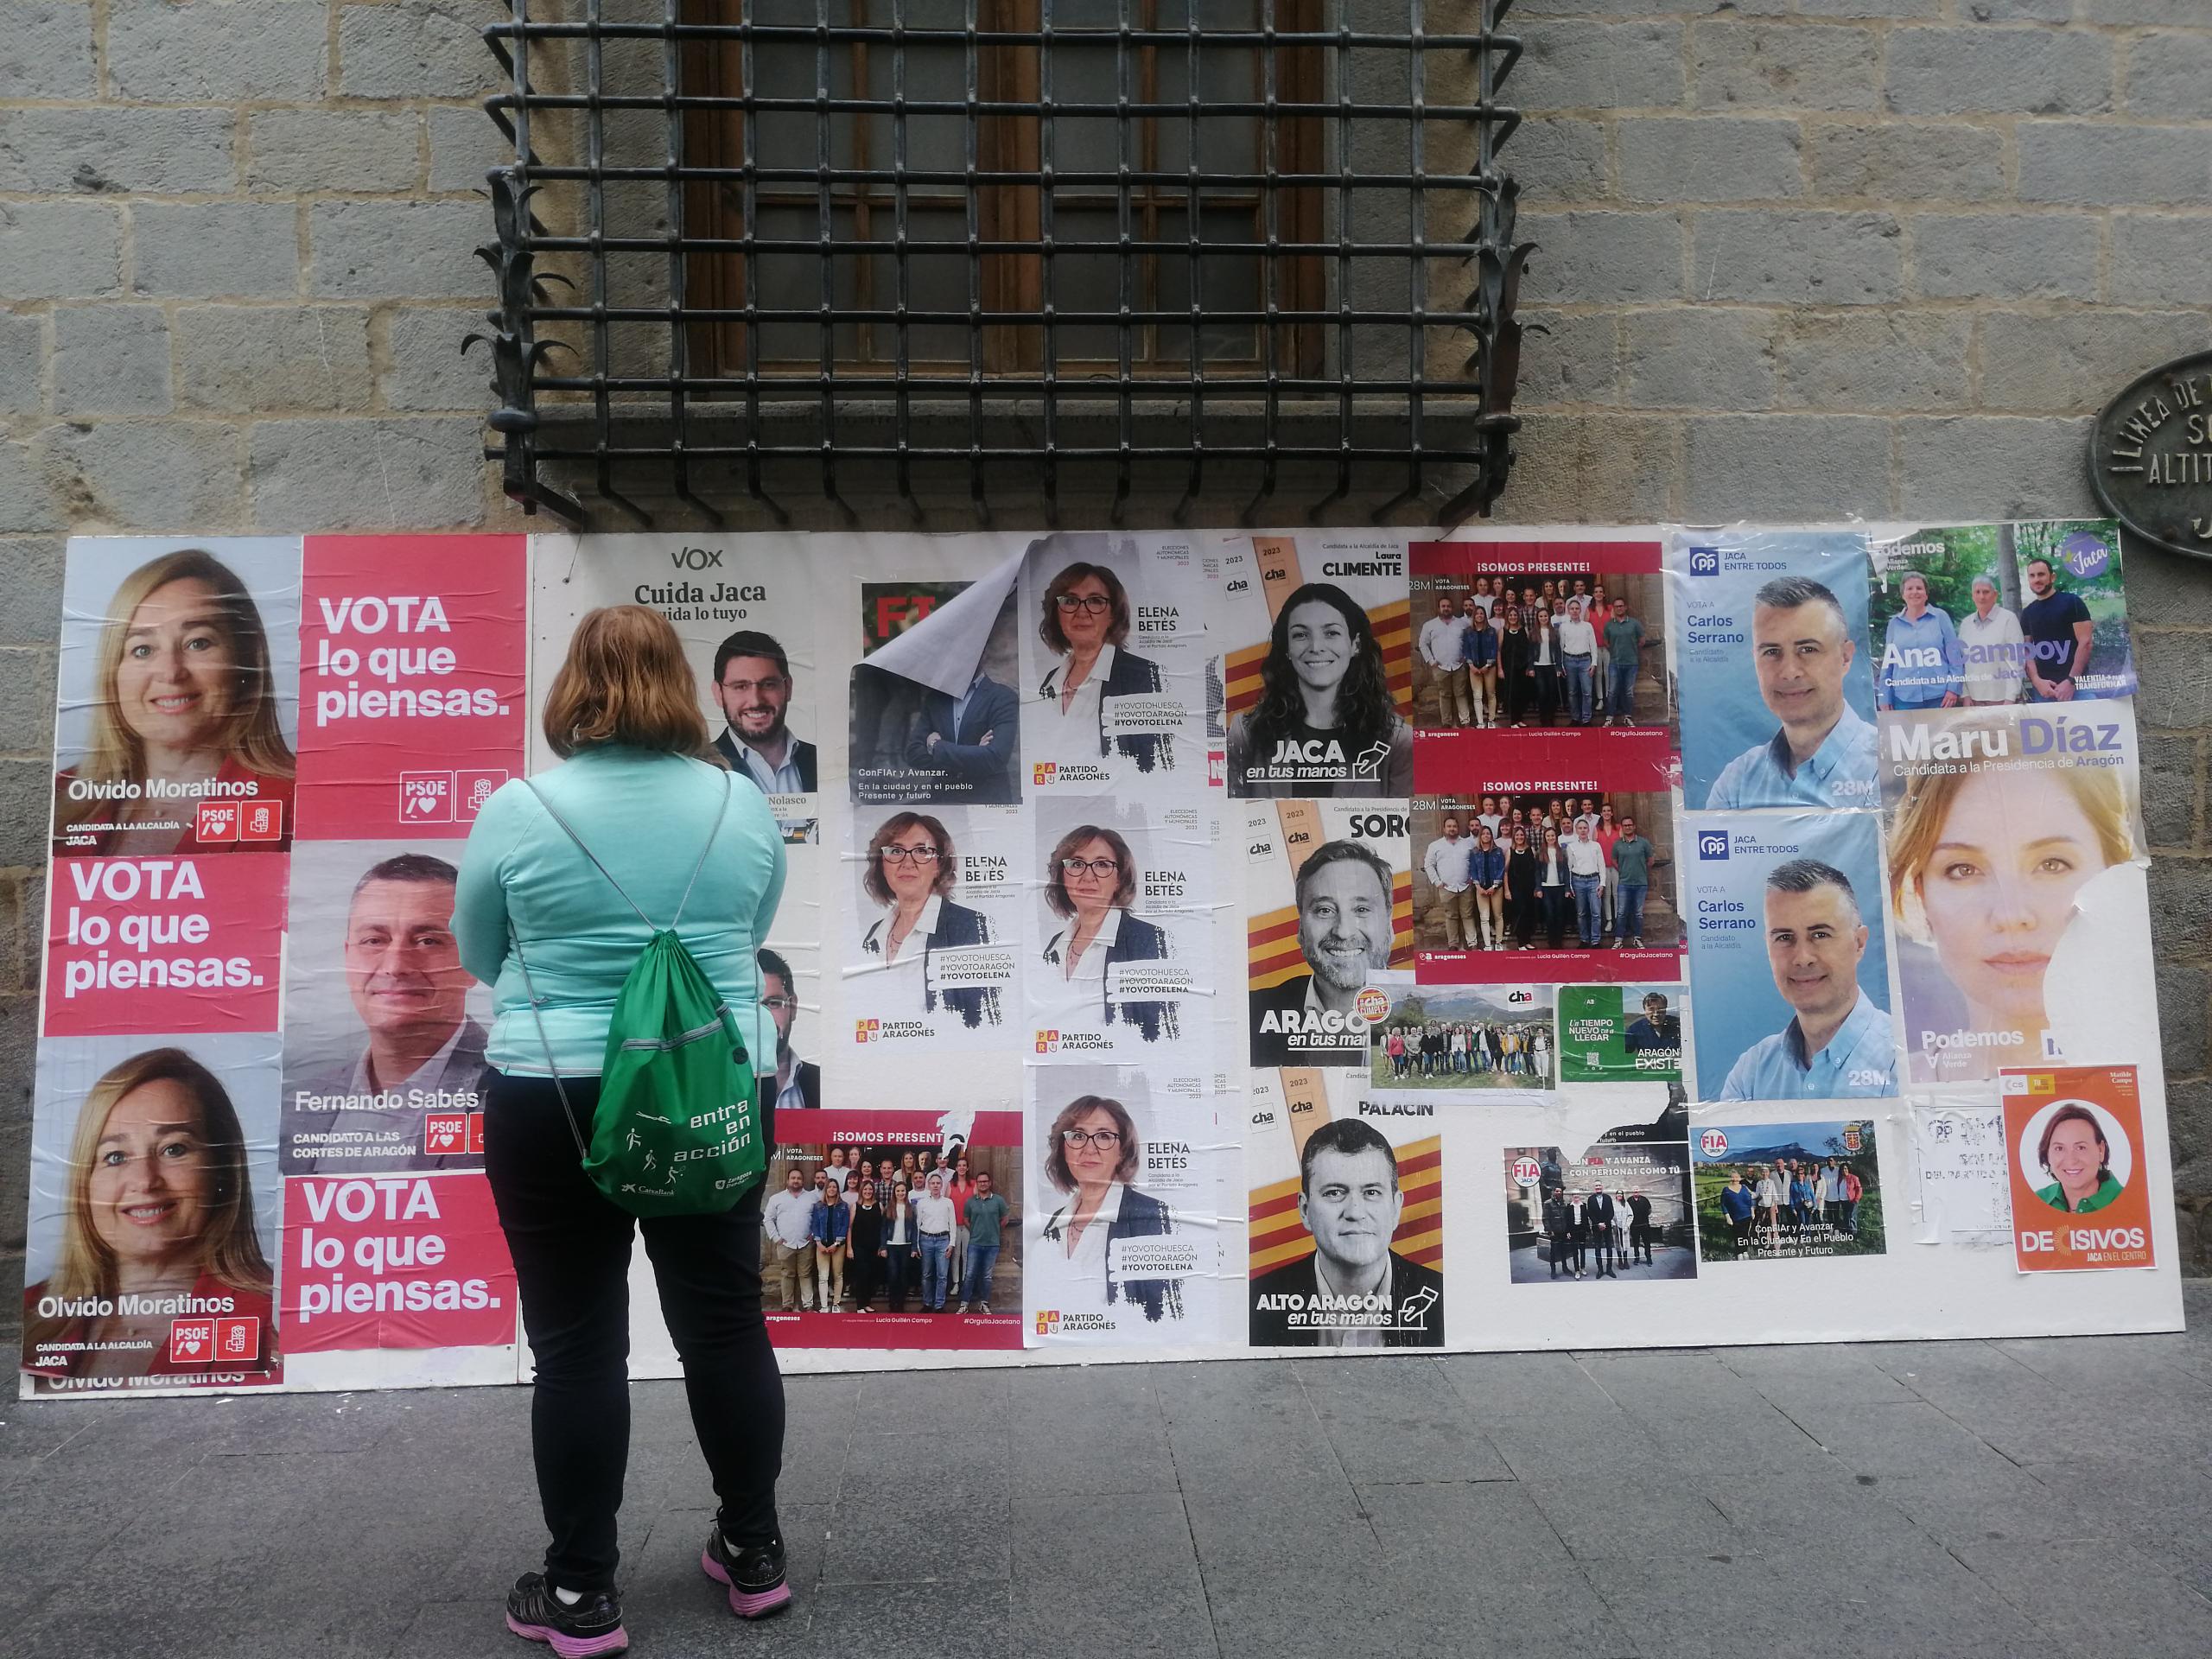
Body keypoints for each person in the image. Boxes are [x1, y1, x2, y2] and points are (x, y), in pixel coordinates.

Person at [453, 603, 793, 1638]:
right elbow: (751, 929)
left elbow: (478, 948)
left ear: (573, 688)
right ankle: (752, 1550)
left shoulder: (519, 807)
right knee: (726, 1325)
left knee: (576, 1346)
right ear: (682, 685)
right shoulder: (740, 802)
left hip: (551, 1089)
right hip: (710, 1091)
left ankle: (580, 1590)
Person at [1886, 724, 2134, 1083]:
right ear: (1922, 895)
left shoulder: (2158, 1071)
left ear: (2113, 871)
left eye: (2052, 864)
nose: (2012, 915)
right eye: (1963, 869)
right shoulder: (1890, 1087)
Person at [21, 1046, 276, 1383]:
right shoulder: (33, 1310)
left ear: (223, 1172)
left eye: (174, 1149)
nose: (145, 1181)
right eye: (114, 1157)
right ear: (85, 1181)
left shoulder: (276, 1322)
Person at [54, 546, 296, 855]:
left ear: (245, 659)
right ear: (112, 674)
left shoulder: (299, 799)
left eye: (198, 643)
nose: (170, 672)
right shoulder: (63, 794)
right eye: (142, 650)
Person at [288, 853, 487, 1172]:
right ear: (347, 956)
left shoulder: (513, 1090)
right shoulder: (299, 1102)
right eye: (374, 940)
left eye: (427, 941)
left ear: (473, 960)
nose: (395, 966)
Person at [1249, 1118, 1443, 1346]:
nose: (1355, 1212)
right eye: (1334, 1193)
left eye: (1371, 1192)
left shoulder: (1444, 1298)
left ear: (1396, 1208)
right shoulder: (1252, 1302)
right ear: (1305, 1210)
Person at [1719, 859, 1895, 1102]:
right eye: (1784, 937)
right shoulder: (1751, 1074)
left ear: (1859, 943)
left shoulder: (1903, 1062)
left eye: (1820, 934)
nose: (1802, 958)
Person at [1705, 575, 1879, 811]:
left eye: (1808, 649)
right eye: (1771, 651)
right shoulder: (1736, 783)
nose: (1789, 672)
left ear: (1845, 658)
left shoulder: (1886, 768)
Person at [1227, 582, 1414, 797]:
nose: (1316, 647)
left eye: (1331, 633)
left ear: (1355, 645)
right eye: (1300, 635)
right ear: (1287, 649)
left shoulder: (1398, 742)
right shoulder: (1246, 735)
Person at [1249, 839, 1396, 1065]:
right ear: (1300, 929)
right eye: (1324, 910)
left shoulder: (1427, 1007)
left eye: (1362, 909)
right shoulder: (1252, 1012)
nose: (1344, 932)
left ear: (1390, 926)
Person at [1035, 1095, 1182, 1322]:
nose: (1089, 1148)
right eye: (1078, 1136)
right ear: (1064, 1149)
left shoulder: (1153, 1217)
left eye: (1104, 1136)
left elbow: (1166, 1318)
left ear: (1122, 1150)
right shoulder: (1054, 1222)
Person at [1037, 823, 1177, 1042]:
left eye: (1102, 865)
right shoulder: (1053, 947)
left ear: (1119, 879)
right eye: (1076, 864)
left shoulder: (1152, 942)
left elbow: (1162, 1035)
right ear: (1063, 876)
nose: (1088, 876)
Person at [859, 810, 1000, 1027]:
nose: (907, 862)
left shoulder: (972, 928)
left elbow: (982, 1023)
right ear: (882, 864)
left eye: (922, 851)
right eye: (896, 851)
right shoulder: (874, 935)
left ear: (939, 865)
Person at [1033, 560, 1174, 773]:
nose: (1082, 612)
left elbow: (1154, 768)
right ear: (1057, 612)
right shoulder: (1050, 681)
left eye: (1095, 601)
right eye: (1070, 601)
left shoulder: (1145, 677)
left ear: (1113, 615)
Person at [710, 629, 817, 793]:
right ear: (718, 693)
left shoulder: (821, 759)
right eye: (740, 686)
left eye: (768, 684)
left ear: (787, 687)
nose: (756, 701)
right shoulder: (700, 768)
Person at [906, 664, 1019, 804]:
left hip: (986, 802)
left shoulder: (1002, 697)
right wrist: (976, 753)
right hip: (942, 802)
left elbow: (996, 757)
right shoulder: (935, 699)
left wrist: (936, 747)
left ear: (982, 653)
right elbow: (913, 753)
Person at [1877, 573, 1964, 712]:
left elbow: (1955, 657)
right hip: (1904, 700)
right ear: (1903, 594)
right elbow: (1888, 664)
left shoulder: (1941, 617)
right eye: (1909, 589)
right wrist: (1884, 696)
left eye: (1919, 588)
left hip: (1940, 698)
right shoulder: (1894, 624)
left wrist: (1953, 689)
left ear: (1926, 594)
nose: (1914, 592)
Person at [2020, 556, 2094, 702]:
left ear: (2052, 577)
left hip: (2078, 687)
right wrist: (2036, 681)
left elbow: (2086, 643)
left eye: (2041, 574)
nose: (2037, 580)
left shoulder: (2072, 602)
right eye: (2032, 576)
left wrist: (2071, 681)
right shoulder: (2028, 612)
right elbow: (2027, 650)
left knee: (2091, 724)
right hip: (2044, 691)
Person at [756, 948, 820, 1114]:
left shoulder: (824, 1083)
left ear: (794, 1006)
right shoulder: (715, 1089)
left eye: (773, 1003)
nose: (763, 1017)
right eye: (751, 1005)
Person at [2032, 1103, 2123, 1214]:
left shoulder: (2130, 1201)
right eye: (2059, 1148)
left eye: (2081, 1148)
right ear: (2047, 1154)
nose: (2071, 1160)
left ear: (2101, 1150)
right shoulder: (2036, 1201)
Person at [1957, 575, 2026, 705]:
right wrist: (1965, 695)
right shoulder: (1966, 624)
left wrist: (2010, 698)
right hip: (1973, 700)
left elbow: (2016, 662)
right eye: (1977, 592)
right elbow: (1960, 663)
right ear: (1972, 596)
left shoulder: (2008, 619)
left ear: (1995, 595)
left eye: (1986, 592)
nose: (1981, 597)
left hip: (2002, 699)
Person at [957, 1170, 1013, 1314]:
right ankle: (964, 1304)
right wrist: (975, 1230)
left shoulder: (998, 1200)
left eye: (985, 1181)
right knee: (970, 1274)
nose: (983, 1184)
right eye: (980, 1182)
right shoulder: (971, 1201)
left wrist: (994, 1230)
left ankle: (984, 1303)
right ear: (977, 1183)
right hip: (975, 1243)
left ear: (990, 1183)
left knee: (986, 1276)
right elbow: (966, 1220)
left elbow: (1005, 1218)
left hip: (992, 1244)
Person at [761, 1170, 817, 1313]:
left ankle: (808, 1305)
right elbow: (768, 1219)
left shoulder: (812, 1198)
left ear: (803, 1181)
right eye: (793, 1178)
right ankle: (787, 1304)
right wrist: (776, 1238)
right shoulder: (776, 1198)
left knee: (805, 1274)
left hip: (806, 1243)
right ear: (788, 1181)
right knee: (787, 1274)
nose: (796, 1181)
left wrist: (814, 1233)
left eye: (799, 1178)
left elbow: (819, 1218)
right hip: (785, 1244)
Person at [1418, 592, 1473, 728]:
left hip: (1459, 665)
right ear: (1439, 608)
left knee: (1461, 694)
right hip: (1440, 666)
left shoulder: (1462, 624)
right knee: (1445, 695)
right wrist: (1431, 661)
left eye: (1448, 606)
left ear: (1452, 608)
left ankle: (1465, 722)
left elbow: (1470, 642)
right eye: (1443, 606)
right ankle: (1446, 723)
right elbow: (1422, 644)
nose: (1446, 608)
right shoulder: (1429, 625)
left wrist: (1466, 656)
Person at [1422, 812, 1477, 950]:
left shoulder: (1468, 844)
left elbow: (1476, 862)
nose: (1452, 829)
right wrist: (1437, 882)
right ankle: (1453, 944)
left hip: (1466, 886)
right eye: (1449, 826)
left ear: (1458, 828)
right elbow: (1428, 865)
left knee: (1468, 915)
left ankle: (1472, 943)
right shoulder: (1435, 846)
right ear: (1444, 829)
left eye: (1454, 826)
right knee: (1451, 916)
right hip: (1446, 888)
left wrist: (1473, 878)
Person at [1610, 814, 1660, 950]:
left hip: (1640, 884)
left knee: (1638, 913)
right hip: (1624, 883)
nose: (1627, 827)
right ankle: (1618, 940)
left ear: (1634, 826)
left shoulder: (1644, 843)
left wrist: (1640, 869)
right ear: (1622, 827)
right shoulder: (1618, 844)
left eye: (1630, 825)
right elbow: (1614, 860)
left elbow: (1651, 860)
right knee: (1621, 912)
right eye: (1625, 825)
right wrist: (1623, 870)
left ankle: (1637, 938)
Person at [914, 1170, 957, 1311]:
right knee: (926, 1274)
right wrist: (917, 1245)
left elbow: (953, 1224)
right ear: (929, 1185)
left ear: (942, 1185)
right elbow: (917, 1224)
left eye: (938, 1183)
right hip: (925, 1240)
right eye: (932, 1183)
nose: (935, 1186)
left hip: (943, 1241)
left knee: (942, 1275)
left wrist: (952, 1243)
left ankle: (939, 1305)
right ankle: (927, 1303)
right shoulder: (922, 1203)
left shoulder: (948, 1203)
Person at [809, 1172, 849, 1312]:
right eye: (830, 1187)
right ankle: (825, 1305)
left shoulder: (843, 1206)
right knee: (823, 1276)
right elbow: (814, 1225)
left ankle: (836, 1303)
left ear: (838, 1189)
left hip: (838, 1246)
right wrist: (819, 1243)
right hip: (822, 1246)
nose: (832, 1189)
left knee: (838, 1275)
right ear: (826, 1189)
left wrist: (836, 1244)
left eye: (834, 1187)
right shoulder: (818, 1206)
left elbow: (845, 1226)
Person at [1603, 597, 1645, 726]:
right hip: (1615, 662)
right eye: (1616, 606)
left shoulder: (1634, 623)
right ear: (1613, 609)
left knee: (1628, 692)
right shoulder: (1609, 624)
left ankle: (1627, 717)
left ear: (1625, 607)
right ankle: (1609, 718)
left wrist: (1630, 649)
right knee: (1612, 691)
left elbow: (1642, 640)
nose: (1619, 608)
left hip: (1631, 663)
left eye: (1621, 606)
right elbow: (1606, 642)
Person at [1556, 597, 1598, 726]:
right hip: (1570, 661)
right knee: (1572, 691)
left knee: (1587, 692)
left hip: (1585, 660)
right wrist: (1562, 664)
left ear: (1580, 610)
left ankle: (1586, 719)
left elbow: (1593, 645)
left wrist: (1594, 663)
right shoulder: (1563, 627)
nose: (1574, 611)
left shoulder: (1587, 626)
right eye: (1572, 609)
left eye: (1577, 609)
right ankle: (1575, 718)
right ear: (1568, 610)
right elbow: (1561, 646)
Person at [942, 1154, 977, 1302]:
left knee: (967, 1255)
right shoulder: (951, 1184)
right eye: (959, 1165)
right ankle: (956, 1283)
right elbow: (945, 1205)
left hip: (969, 1226)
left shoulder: (973, 1183)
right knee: (955, 1255)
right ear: (955, 1168)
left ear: (967, 1168)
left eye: (964, 1165)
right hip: (954, 1225)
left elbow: (976, 1204)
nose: (962, 1168)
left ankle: (965, 1283)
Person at [1566, 820, 1605, 948]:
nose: (1583, 830)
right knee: (1581, 913)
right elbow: (1568, 867)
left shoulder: (1596, 846)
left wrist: (1602, 884)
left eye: (1585, 828)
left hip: (1594, 881)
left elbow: (1602, 865)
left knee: (1596, 913)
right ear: (1576, 830)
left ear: (1588, 830)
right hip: (1578, 882)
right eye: (1580, 828)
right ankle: (1584, 940)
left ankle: (1595, 941)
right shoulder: (1571, 847)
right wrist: (1570, 886)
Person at [1466, 826, 1506, 950]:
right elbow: (1472, 870)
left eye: (1488, 833)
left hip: (1496, 888)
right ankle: (1488, 945)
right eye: (1483, 834)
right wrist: (1478, 887)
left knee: (1498, 916)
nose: (1486, 836)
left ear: (1491, 836)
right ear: (1480, 836)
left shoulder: (1498, 851)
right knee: (1484, 917)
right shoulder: (1475, 852)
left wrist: (1494, 886)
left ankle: (1498, 943)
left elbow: (1501, 869)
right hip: (1481, 889)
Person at [847, 1179, 884, 1311]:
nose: (868, 1191)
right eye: (865, 1189)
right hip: (859, 1246)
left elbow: (883, 1228)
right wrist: (849, 1247)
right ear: (861, 1191)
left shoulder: (879, 1206)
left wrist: (882, 1246)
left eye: (870, 1189)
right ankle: (860, 1305)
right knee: (861, 1275)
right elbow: (850, 1228)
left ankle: (867, 1303)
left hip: (874, 1247)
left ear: (873, 1191)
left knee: (871, 1275)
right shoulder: (855, 1206)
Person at [1465, 598, 1500, 728]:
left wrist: (1488, 665)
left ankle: (1491, 720)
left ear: (1485, 616)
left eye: (1482, 613)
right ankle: (1480, 722)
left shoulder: (1491, 631)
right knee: (1477, 696)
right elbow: (1466, 649)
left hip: (1489, 668)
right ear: (1474, 616)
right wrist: (1471, 665)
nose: (1479, 616)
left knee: (1491, 694)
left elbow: (1494, 649)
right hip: (1474, 667)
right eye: (1477, 613)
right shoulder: (1468, 631)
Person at [1497, 605, 1535, 727]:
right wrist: (1500, 669)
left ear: (1518, 617)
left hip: (1522, 667)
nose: (1513, 617)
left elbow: (1529, 649)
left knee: (1522, 694)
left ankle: (1519, 719)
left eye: (1515, 615)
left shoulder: (1524, 630)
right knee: (1512, 694)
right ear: (1507, 617)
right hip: (1509, 668)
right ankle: (1513, 721)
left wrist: (1529, 667)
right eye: (1510, 615)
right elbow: (1498, 651)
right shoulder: (1503, 631)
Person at [882, 1179, 915, 1310]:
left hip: (905, 1245)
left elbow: (914, 1229)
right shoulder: (889, 1207)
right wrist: (883, 1246)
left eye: (903, 1191)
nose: (900, 1193)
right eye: (898, 1191)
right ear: (894, 1192)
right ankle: (892, 1302)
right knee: (893, 1274)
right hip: (891, 1245)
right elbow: (883, 1228)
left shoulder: (910, 1208)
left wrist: (914, 1247)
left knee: (903, 1275)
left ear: (906, 1193)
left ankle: (900, 1304)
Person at [1536, 825, 1571, 950]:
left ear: (1556, 837)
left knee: (1560, 914)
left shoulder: (1561, 851)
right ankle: (1551, 941)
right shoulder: (1541, 852)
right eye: (1548, 836)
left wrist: (1567, 888)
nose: (1550, 838)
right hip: (1546, 887)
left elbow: (1566, 871)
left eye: (1552, 836)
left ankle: (1559, 941)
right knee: (1550, 915)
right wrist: (1538, 888)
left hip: (1560, 887)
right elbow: (1537, 872)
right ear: (1545, 838)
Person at [1505, 827, 1539, 949]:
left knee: (1529, 914)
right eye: (1517, 835)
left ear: (1525, 836)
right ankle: (1520, 943)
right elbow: (1506, 872)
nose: (1519, 837)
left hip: (1529, 888)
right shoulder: (1510, 851)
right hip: (1516, 888)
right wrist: (1507, 890)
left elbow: (1536, 870)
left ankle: (1527, 941)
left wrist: (1536, 887)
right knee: (1520, 914)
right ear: (1514, 837)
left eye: (1522, 835)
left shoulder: (1531, 850)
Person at [1624, 991, 1681, 1055]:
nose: (1656, 1014)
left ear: (1666, 1009)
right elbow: (1622, 1054)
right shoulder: (1635, 1029)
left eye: (1660, 1009)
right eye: (1651, 1009)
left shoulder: (1678, 1025)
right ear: (1644, 1010)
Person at [1582, 1184, 1618, 1279]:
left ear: (1602, 1187)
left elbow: (1611, 1212)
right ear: (1595, 1188)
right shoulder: (1591, 1199)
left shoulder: (1608, 1198)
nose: (1598, 1187)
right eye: (1596, 1186)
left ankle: (1609, 1269)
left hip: (1607, 1226)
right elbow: (1590, 1213)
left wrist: (1605, 1223)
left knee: (1609, 1248)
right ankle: (1600, 1269)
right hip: (1596, 1227)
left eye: (1600, 1186)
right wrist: (1598, 1223)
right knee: (1597, 1248)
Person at [1541, 1187, 1576, 1280]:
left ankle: (1565, 1268)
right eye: (1557, 1191)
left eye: (1560, 1191)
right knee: (1553, 1253)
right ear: (1553, 1192)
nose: (1559, 1193)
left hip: (1563, 1231)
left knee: (1563, 1251)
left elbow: (1566, 1218)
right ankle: (1553, 1271)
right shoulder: (1547, 1203)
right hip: (1554, 1232)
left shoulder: (1563, 1203)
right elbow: (1545, 1218)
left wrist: (1568, 1230)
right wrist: (1549, 1231)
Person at [1719, 1172, 1756, 1254]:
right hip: (1735, 1217)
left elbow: (1751, 1200)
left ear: (1740, 1178)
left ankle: (1745, 1251)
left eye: (1736, 1177)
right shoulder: (1726, 1189)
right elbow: (1723, 1204)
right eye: (1733, 1177)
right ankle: (1739, 1252)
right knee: (1737, 1235)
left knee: (1745, 1234)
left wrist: (1752, 1212)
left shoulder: (1744, 1188)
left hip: (1747, 1215)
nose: (1735, 1179)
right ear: (1730, 1178)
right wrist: (1727, 1217)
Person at [1625, 1188, 1654, 1266]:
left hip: (1644, 1225)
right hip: (1634, 1226)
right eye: (1634, 1190)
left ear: (1639, 1191)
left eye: (1637, 1190)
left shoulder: (1644, 1200)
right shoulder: (1629, 1200)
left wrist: (1643, 1217)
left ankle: (1649, 1259)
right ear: (1632, 1191)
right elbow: (1627, 1211)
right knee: (1635, 1243)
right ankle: (1636, 1258)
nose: (1636, 1191)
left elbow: (1649, 1210)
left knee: (1647, 1243)